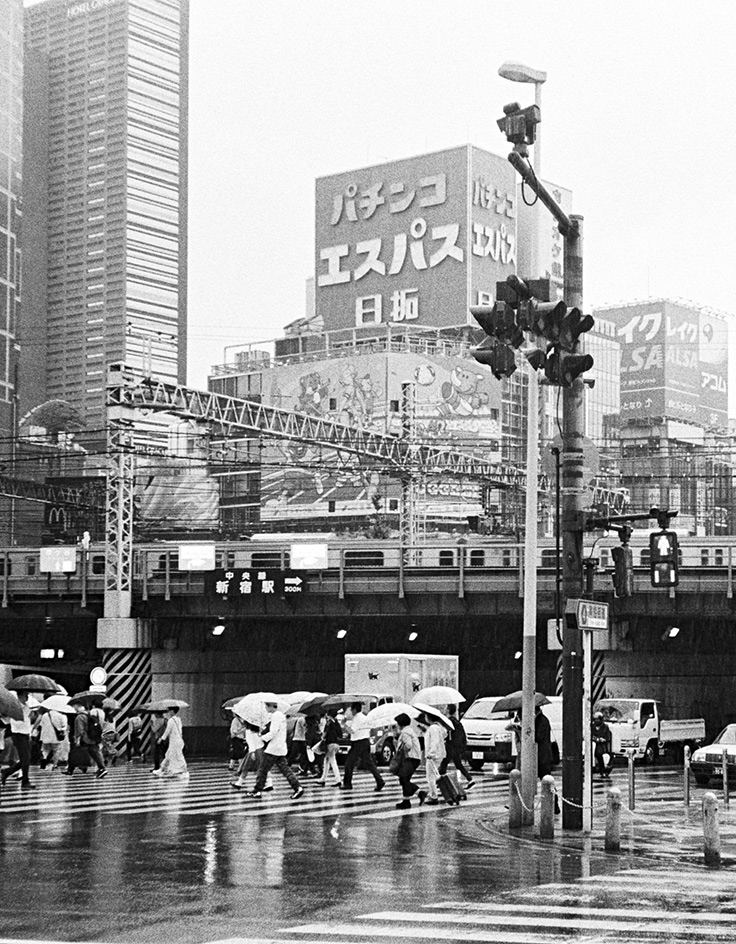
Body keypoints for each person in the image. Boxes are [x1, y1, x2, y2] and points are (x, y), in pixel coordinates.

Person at [247, 699, 304, 799]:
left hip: (274, 748)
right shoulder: (280, 715)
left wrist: (262, 738)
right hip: (280, 747)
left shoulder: (276, 716)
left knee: (262, 769)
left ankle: (257, 790)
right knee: (285, 770)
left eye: (266, 706)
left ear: (270, 706)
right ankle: (297, 787)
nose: (265, 708)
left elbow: (273, 732)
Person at [340, 702, 385, 792]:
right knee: (369, 763)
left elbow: (352, 730)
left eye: (351, 709)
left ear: (355, 710)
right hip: (365, 741)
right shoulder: (365, 717)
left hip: (358, 743)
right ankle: (379, 780)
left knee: (349, 763)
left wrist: (344, 725)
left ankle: (347, 783)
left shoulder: (357, 718)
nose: (351, 712)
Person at [0, 691, 36, 789]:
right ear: (20, 696)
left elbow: (28, 719)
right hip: (18, 734)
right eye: (26, 695)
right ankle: (25, 781)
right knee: (25, 759)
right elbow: (10, 719)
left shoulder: (27, 706)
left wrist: (31, 715)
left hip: (26, 733)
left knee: (27, 758)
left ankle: (7, 772)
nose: (27, 697)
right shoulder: (14, 707)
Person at [438, 704, 475, 791]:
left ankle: (440, 783)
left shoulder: (449, 721)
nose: (444, 709)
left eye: (445, 708)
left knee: (444, 764)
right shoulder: (456, 721)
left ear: (448, 710)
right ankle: (470, 780)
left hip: (451, 746)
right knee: (458, 765)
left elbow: (447, 734)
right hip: (457, 747)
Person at [65, 704, 107, 778]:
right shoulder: (90, 715)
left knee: (75, 753)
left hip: (84, 739)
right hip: (92, 738)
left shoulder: (79, 717)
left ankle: (71, 770)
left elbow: (80, 730)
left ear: (78, 708)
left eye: (75, 707)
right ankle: (102, 768)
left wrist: (77, 739)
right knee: (95, 753)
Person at [230, 721, 273, 792]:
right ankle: (269, 783)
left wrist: (252, 752)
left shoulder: (248, 731)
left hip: (253, 751)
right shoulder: (259, 729)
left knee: (245, 767)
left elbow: (250, 742)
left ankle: (239, 783)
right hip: (261, 750)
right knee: (263, 767)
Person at [392, 713, 422, 809]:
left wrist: (400, 749)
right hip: (414, 758)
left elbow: (408, 745)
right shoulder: (408, 731)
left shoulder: (405, 732)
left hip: (411, 758)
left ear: (401, 723)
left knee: (403, 778)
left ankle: (420, 793)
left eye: (397, 723)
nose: (396, 724)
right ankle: (406, 801)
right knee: (404, 779)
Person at [535, 704, 559, 814]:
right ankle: (555, 804)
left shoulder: (541, 721)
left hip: (542, 756)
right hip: (540, 755)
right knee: (546, 780)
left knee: (547, 781)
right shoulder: (540, 720)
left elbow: (538, 737)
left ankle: (555, 804)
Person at [417, 713, 446, 806]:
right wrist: (425, 730)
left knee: (430, 776)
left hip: (434, 756)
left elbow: (434, 741)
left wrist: (431, 753)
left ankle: (433, 796)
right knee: (433, 775)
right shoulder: (437, 727)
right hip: (438, 754)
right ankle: (433, 794)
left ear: (429, 717)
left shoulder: (433, 728)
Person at [153, 706, 188, 779]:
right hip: (179, 740)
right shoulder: (179, 720)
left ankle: (183, 770)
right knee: (169, 755)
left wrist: (161, 739)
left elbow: (167, 731)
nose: (169, 712)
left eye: (170, 710)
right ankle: (162, 769)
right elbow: (180, 731)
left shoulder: (171, 720)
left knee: (177, 756)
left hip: (174, 741)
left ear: (172, 711)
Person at [35, 706, 69, 770]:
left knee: (45, 750)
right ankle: (55, 765)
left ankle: (44, 760)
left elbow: (41, 725)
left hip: (45, 736)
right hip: (56, 736)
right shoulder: (61, 716)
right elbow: (64, 727)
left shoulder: (45, 715)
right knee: (56, 750)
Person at [315, 709, 341, 786]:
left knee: (333, 761)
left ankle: (338, 780)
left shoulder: (329, 722)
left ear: (329, 715)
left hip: (330, 744)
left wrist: (322, 736)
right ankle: (323, 779)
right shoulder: (337, 723)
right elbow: (340, 734)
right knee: (326, 761)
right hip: (336, 744)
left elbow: (325, 733)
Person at [592, 710, 613, 778]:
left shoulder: (605, 727)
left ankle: (602, 768)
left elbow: (606, 737)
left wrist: (601, 739)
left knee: (599, 753)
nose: (596, 721)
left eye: (597, 719)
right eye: (595, 719)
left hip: (601, 745)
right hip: (593, 744)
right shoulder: (591, 726)